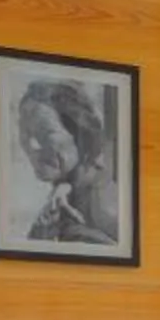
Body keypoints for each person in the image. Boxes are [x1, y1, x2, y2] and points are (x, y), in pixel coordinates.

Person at [16, 79, 121, 247]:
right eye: (25, 134)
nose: (32, 145)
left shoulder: (104, 208)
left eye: (46, 133)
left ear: (80, 136)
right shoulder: (70, 192)